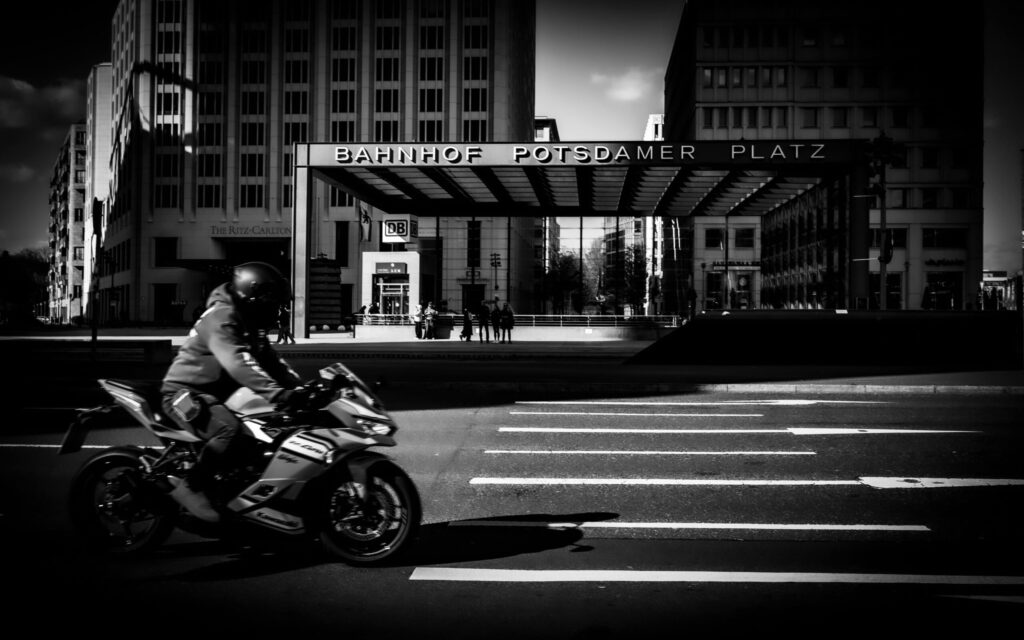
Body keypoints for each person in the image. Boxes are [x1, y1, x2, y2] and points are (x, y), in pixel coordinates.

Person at [160, 262, 306, 522]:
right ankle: (191, 488)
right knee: (227, 430)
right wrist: (278, 394)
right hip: (185, 392)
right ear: (253, 296)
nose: (277, 309)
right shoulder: (222, 317)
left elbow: (270, 362)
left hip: (220, 394)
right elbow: (238, 361)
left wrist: (300, 389)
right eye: (272, 302)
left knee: (268, 428)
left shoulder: (248, 322)